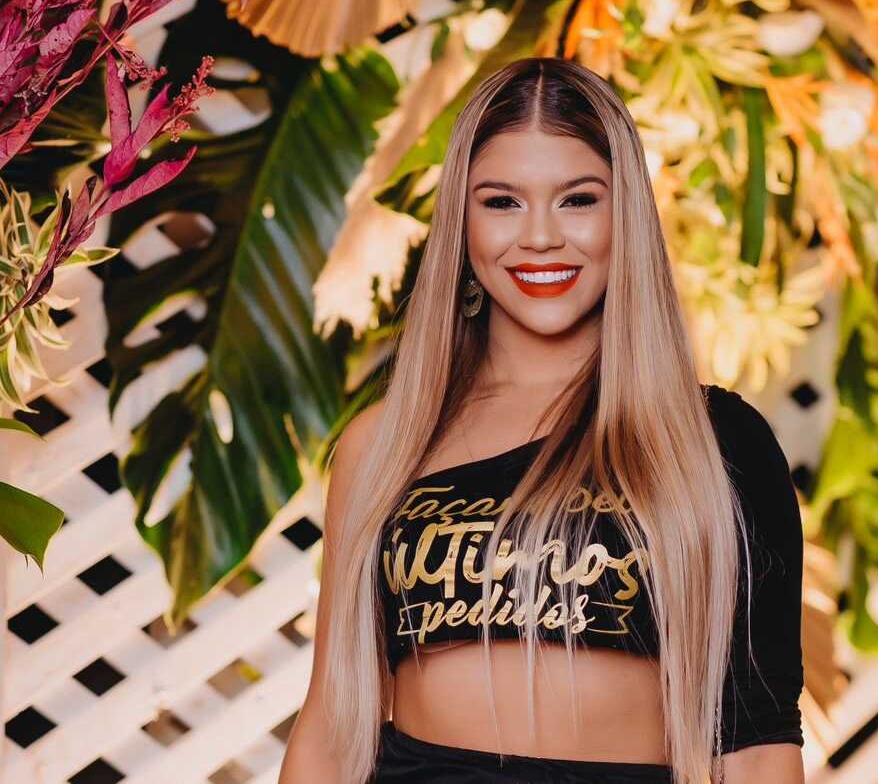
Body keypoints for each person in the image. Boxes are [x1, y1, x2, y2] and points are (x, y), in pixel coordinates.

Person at [280, 57, 805, 783]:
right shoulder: (384, 444)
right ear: (462, 224)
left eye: (577, 200)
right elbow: (332, 727)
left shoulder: (716, 442)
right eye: (502, 202)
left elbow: (759, 740)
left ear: (625, 216)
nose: (539, 238)